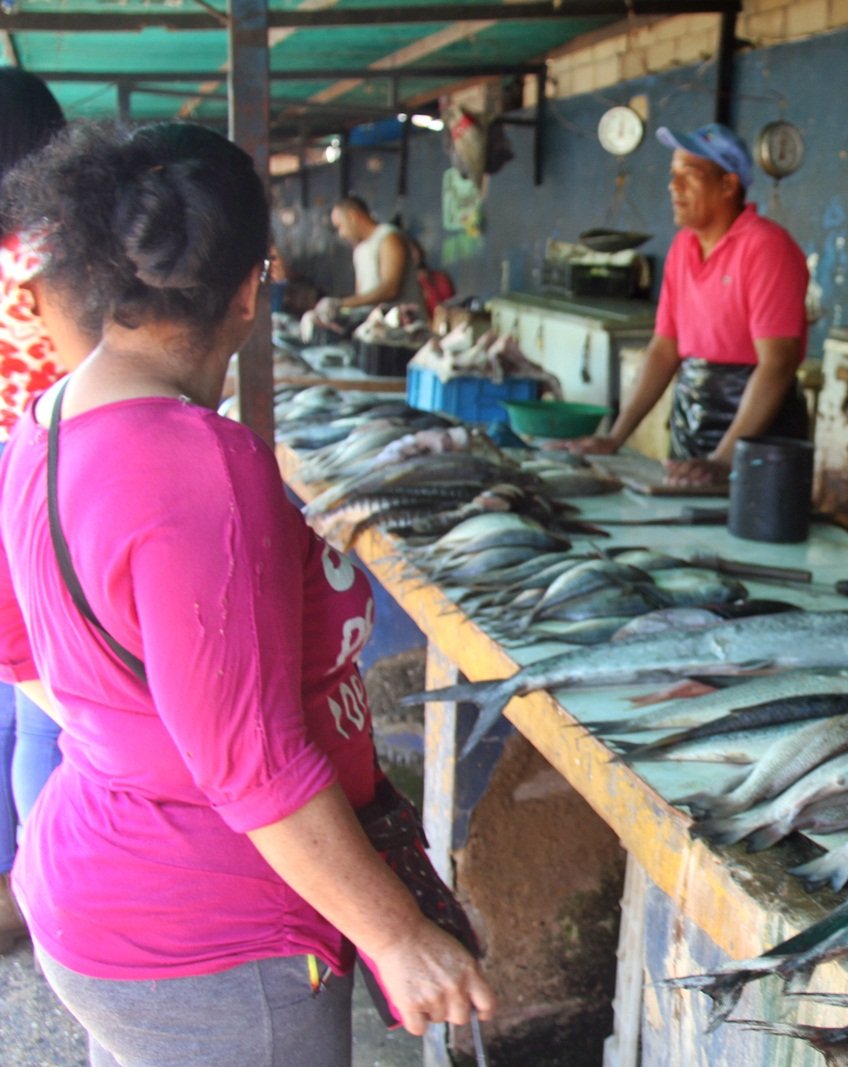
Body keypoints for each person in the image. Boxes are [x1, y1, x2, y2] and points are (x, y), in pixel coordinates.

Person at [0, 122, 494, 1063]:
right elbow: (251, 765)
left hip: (93, 887)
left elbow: (14, 639)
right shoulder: (203, 471)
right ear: (250, 289)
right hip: (209, 938)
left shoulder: (43, 424)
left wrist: (132, 741)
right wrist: (396, 934)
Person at [554, 123, 810, 488]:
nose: (674, 187)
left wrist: (724, 459)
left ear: (728, 185)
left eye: (688, 176)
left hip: (761, 431)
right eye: (672, 176)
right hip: (694, 415)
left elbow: (778, 362)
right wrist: (615, 437)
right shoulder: (682, 249)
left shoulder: (766, 247)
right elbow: (664, 349)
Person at [0, 67, 85, 955]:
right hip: (44, 465)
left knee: (7, 683)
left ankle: (14, 869)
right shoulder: (56, 240)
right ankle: (45, 880)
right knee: (48, 696)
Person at [316, 195, 424, 319]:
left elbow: (390, 289)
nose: (341, 234)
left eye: (340, 226)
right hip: (375, 326)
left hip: (404, 326)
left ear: (353, 216)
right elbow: (361, 295)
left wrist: (341, 304)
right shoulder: (359, 250)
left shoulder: (388, 237)